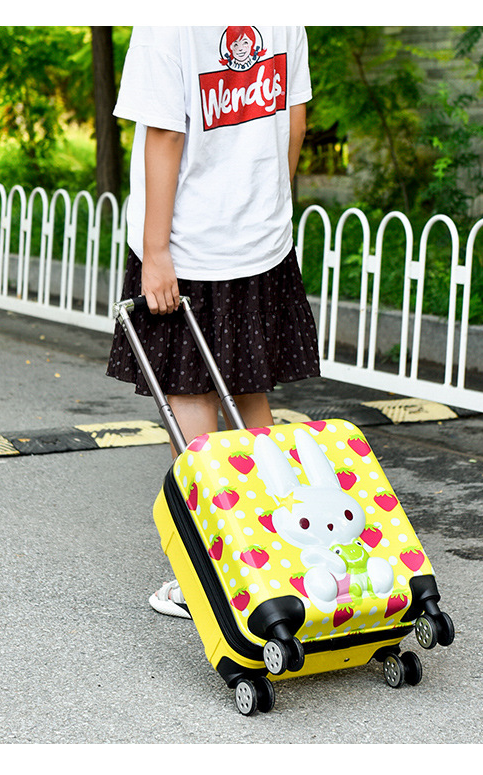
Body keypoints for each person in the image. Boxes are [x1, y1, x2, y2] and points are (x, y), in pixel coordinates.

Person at [106, 26, 321, 618]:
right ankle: (281, 557)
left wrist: (156, 252)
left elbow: (165, 133)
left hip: (191, 241)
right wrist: (267, 206)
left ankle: (219, 573)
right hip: (262, 237)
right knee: (250, 396)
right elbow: (295, 118)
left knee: (189, 396)